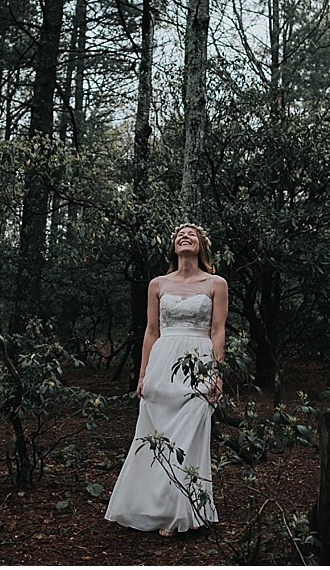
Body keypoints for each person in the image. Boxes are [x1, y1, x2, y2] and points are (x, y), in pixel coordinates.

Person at [104, 223, 228, 537]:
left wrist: (216, 372)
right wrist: (143, 374)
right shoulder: (157, 284)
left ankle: (182, 510)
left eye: (192, 233)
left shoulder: (216, 283)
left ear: (202, 245)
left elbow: (217, 331)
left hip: (197, 360)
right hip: (162, 361)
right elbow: (151, 331)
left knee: (189, 433)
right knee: (155, 433)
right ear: (173, 247)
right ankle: (152, 505)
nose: (185, 236)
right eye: (179, 234)